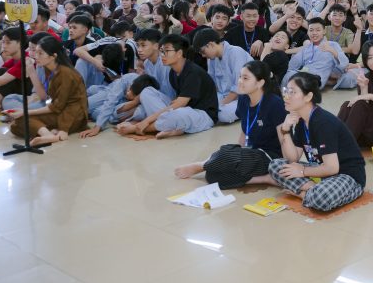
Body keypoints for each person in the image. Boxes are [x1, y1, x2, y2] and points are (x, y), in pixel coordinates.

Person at [173, 60, 287, 189]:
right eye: (240, 77)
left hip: (270, 157)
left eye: (245, 78)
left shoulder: (275, 104)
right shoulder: (244, 99)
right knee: (212, 175)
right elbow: (244, 130)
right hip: (252, 152)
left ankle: (201, 166)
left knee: (227, 156)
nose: (240, 81)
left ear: (260, 83)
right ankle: (266, 179)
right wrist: (238, 152)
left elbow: (284, 139)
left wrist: (285, 165)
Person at [268, 72, 367, 212]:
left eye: (292, 92)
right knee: (276, 165)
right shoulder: (301, 121)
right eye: (286, 91)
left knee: (321, 197)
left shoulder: (323, 122)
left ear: (308, 97)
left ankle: (304, 193)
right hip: (320, 171)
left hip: (346, 175)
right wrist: (285, 130)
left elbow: (332, 168)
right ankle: (312, 189)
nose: (286, 96)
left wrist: (302, 171)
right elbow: (292, 158)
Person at [116, 34, 217, 139]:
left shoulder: (192, 73)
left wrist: (145, 121)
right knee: (147, 92)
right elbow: (175, 102)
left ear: (179, 53)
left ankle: (137, 128)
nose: (162, 55)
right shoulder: (173, 72)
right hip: (184, 109)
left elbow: (180, 104)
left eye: (167, 51)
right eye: (161, 51)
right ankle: (170, 128)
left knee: (178, 114)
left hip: (203, 114)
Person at [8, 35, 88, 146]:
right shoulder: (47, 68)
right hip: (57, 109)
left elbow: (57, 106)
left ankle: (49, 134)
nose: (36, 56)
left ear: (53, 56)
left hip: (71, 115)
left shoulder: (66, 73)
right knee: (15, 125)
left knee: (23, 118)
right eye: (35, 52)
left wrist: (26, 111)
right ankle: (49, 134)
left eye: (40, 53)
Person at [193, 27, 251, 124]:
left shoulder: (235, 52)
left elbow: (239, 87)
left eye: (203, 52)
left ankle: (253, 109)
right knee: (201, 106)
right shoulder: (211, 59)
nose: (203, 56)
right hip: (225, 95)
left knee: (223, 114)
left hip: (245, 96)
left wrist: (220, 105)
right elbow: (212, 85)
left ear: (210, 45)